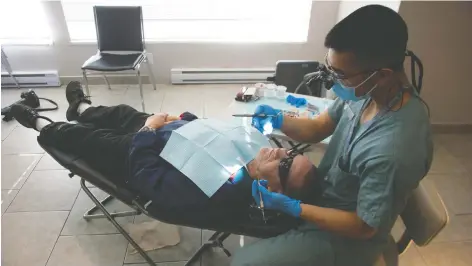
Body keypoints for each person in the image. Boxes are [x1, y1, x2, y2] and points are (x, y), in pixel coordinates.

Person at [231, 5, 433, 266]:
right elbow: (319, 127)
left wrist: (293, 207)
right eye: (330, 69)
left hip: (349, 238)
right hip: (324, 198)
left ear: (382, 74)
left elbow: (365, 226)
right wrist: (279, 120)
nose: (332, 82)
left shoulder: (394, 147)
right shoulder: (365, 93)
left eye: (340, 75)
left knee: (244, 263)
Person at [9, 81, 320, 227]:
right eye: (291, 152)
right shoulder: (261, 153)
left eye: (285, 164)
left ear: (273, 190)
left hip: (135, 155)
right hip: (168, 133)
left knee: (80, 136)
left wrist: (147, 131)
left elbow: (147, 177)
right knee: (121, 112)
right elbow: (218, 135)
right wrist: (184, 119)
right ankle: (81, 108)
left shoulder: (216, 191)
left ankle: (37, 121)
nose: (282, 151)